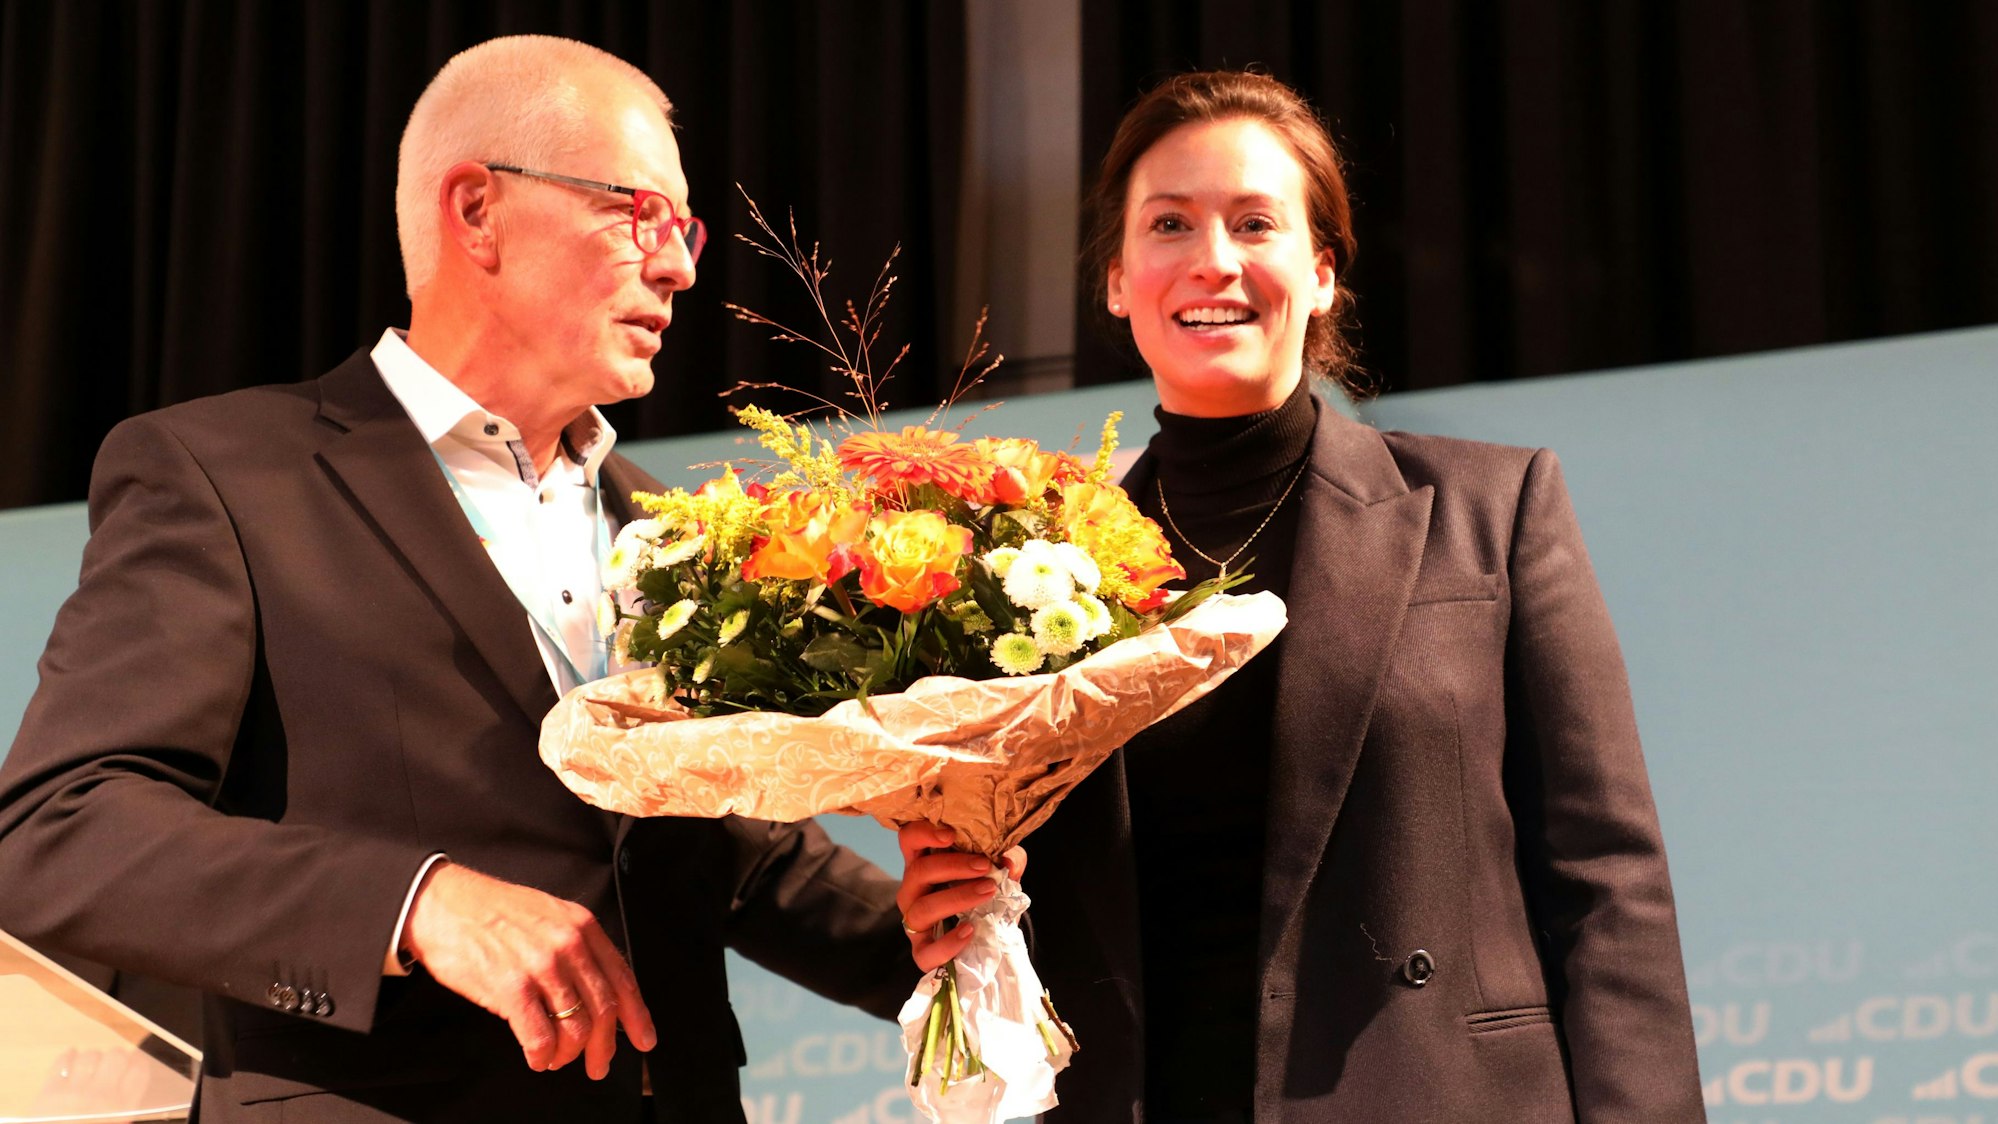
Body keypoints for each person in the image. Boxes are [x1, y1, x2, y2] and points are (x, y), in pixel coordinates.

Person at [0, 35, 915, 1123]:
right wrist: (415, 903)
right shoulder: (226, 477)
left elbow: (719, 856)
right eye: (638, 213)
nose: (679, 266)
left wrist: (946, 938)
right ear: (477, 211)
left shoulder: (666, 531)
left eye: (686, 227)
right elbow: (62, 826)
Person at [898, 70, 1705, 1122]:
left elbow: (1605, 880)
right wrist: (960, 906)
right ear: (1117, 280)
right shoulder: (1034, 572)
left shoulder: (1490, 508)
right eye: (1170, 223)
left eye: (1255, 223)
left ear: (1321, 273)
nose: (1213, 259)